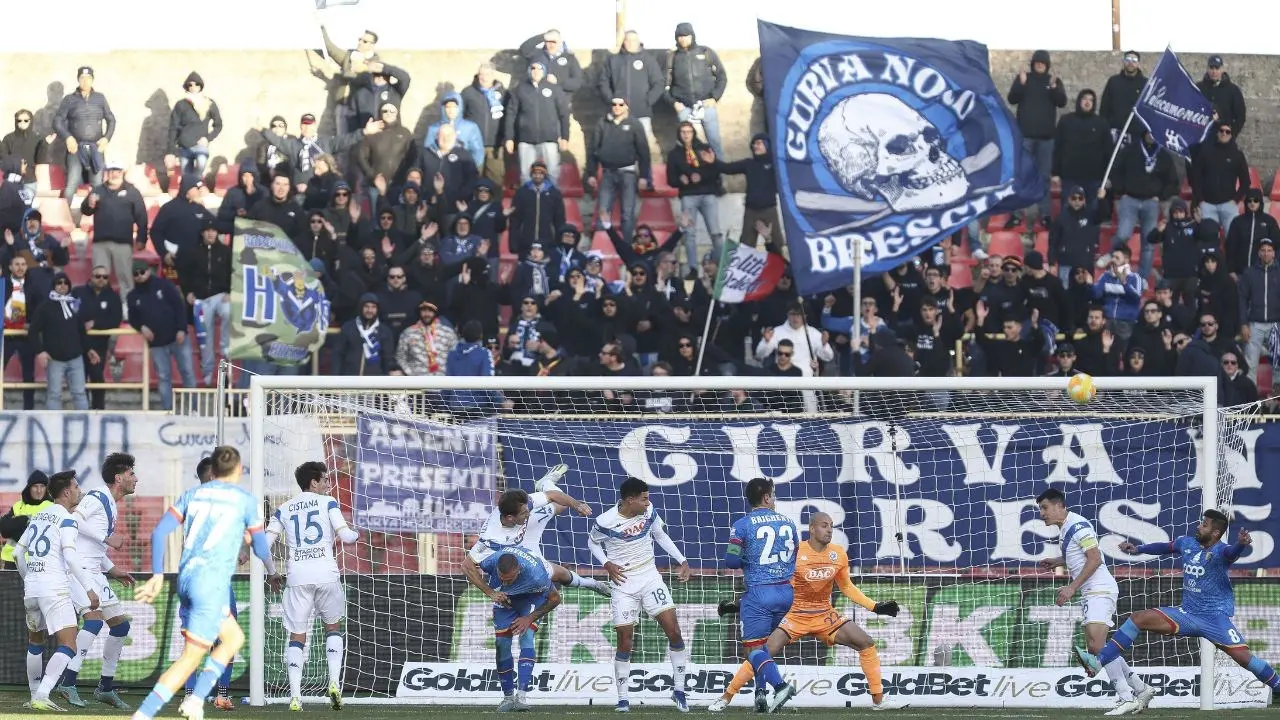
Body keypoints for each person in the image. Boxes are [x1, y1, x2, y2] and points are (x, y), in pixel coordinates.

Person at [1079, 511, 1280, 714]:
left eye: (1205, 524)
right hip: (1187, 614)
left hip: (1214, 618)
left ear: (1216, 532)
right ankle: (1099, 662)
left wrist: (1242, 544)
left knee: (1247, 660)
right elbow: (1165, 547)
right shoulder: (1187, 543)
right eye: (1202, 522)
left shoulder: (1221, 551)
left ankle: (1278, 686)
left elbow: (1232, 554)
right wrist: (1138, 548)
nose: (1199, 526)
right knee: (1137, 619)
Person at [132, 446, 280, 720]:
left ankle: (183, 699)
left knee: (196, 647)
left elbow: (160, 532)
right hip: (213, 581)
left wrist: (156, 574)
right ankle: (216, 695)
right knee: (231, 638)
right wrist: (271, 571)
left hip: (186, 579)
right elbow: (261, 546)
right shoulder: (240, 500)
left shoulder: (190, 497)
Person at [712, 512, 899, 712]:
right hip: (794, 614)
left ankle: (879, 701)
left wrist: (875, 607)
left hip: (824, 614)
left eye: (831, 526)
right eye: (824, 525)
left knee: (866, 642)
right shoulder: (794, 552)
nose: (829, 530)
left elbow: (847, 587)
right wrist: (739, 603)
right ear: (811, 528)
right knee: (761, 653)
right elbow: (774, 584)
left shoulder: (838, 554)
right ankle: (726, 697)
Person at [1034, 489, 1153, 715]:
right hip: (1093, 591)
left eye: (1045, 508)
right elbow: (1079, 555)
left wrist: (1071, 587)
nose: (1042, 513)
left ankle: (1125, 696)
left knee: (1098, 647)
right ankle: (1141, 688)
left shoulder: (1078, 526)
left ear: (1060, 506)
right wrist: (1058, 560)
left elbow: (1095, 558)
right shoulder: (1066, 529)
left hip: (1099, 590)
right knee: (1097, 647)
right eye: (1040, 509)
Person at [587, 478, 691, 712]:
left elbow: (660, 535)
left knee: (674, 631)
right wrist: (607, 563)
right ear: (630, 500)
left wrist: (682, 560)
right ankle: (623, 699)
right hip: (623, 584)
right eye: (644, 498)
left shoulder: (649, 511)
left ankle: (679, 690)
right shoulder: (605, 521)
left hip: (650, 577)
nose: (648, 501)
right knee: (625, 641)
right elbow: (592, 543)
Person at [265, 462, 360, 711]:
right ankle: (334, 683)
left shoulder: (283, 509)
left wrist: (273, 572)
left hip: (297, 577)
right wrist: (358, 533)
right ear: (314, 483)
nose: (328, 483)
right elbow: (347, 536)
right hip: (326, 574)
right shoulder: (328, 503)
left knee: (297, 636)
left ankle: (295, 696)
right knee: (332, 628)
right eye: (325, 479)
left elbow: (263, 547)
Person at [52, 453, 138, 710]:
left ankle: (105, 687)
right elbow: (74, 521)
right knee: (94, 621)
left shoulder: (111, 502)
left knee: (120, 627)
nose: (136, 479)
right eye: (132, 474)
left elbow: (91, 547)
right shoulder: (97, 497)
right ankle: (67, 682)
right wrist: (107, 538)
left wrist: (113, 569)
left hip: (96, 571)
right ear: (118, 477)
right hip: (79, 571)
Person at [16, 470, 96, 711]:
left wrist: (29, 578)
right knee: (70, 644)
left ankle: (33, 695)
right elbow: (70, 557)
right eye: (77, 487)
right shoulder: (67, 519)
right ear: (67, 491)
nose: (80, 491)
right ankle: (42, 694)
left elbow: (19, 553)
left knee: (35, 642)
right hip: (55, 589)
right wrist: (90, 589)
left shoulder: (39, 515)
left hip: (32, 588)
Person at [722, 477, 798, 712]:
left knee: (753, 649)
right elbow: (795, 551)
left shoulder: (742, 525)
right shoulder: (788, 522)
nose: (774, 498)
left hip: (759, 593)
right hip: (786, 592)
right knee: (764, 648)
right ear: (766, 497)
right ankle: (760, 695)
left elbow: (731, 561)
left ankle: (780, 685)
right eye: (773, 494)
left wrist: (748, 559)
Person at [471, 543, 561, 712]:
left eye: (510, 579)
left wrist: (529, 618)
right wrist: (490, 591)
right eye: (502, 578)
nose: (505, 582)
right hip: (505, 601)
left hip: (530, 598)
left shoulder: (536, 575)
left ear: (519, 570)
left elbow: (555, 598)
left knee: (526, 636)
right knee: (501, 644)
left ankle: (521, 697)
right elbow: (467, 566)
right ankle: (508, 698)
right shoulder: (491, 561)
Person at [1005, 50, 1067, 229]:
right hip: (1025, 137)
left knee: (1043, 179)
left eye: (1043, 62)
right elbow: (1012, 98)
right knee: (1021, 176)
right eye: (1037, 62)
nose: (1040, 65)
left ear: (1047, 65)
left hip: (1046, 139)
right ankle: (1016, 215)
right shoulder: (1024, 78)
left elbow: (1061, 102)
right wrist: (1021, 85)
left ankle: (1045, 214)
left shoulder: (1052, 81)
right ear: (1033, 63)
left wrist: (1055, 88)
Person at [128, 261, 195, 410]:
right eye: (135, 274)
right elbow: (132, 319)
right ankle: (167, 410)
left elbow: (179, 305)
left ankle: (193, 409)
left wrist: (181, 329)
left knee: (188, 373)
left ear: (148, 271)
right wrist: (141, 327)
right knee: (164, 377)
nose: (139, 276)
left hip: (177, 338)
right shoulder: (132, 296)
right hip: (157, 342)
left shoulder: (164, 285)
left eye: (142, 272)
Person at [586, 98, 651, 246]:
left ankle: (626, 248)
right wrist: (591, 173)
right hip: (608, 172)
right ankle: (601, 250)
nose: (616, 107)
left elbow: (644, 152)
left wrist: (644, 176)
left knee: (627, 214)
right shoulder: (602, 123)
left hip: (628, 173)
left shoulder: (635, 124)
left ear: (626, 106)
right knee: (603, 212)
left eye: (620, 104)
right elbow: (592, 150)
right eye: (613, 104)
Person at [81, 160, 148, 299]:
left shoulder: (132, 191)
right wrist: (89, 204)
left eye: (117, 171)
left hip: (123, 243)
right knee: (99, 278)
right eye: (110, 171)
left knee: (126, 278)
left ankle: (127, 309)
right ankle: (99, 307)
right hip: (100, 243)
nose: (113, 174)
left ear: (122, 172)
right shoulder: (98, 190)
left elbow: (141, 216)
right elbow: (85, 210)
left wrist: (142, 238)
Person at [29, 272, 91, 410]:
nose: (63, 285)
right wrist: (40, 351)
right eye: (59, 282)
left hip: (76, 358)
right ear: (53, 286)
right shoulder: (44, 306)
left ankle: (85, 427)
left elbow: (81, 331)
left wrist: (89, 350)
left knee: (80, 393)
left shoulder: (74, 304)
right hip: (54, 359)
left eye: (65, 283)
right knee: (54, 394)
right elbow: (32, 331)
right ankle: (53, 428)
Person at [664, 23, 726, 158]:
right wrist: (674, 103)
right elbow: (664, 86)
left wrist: (715, 97)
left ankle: (720, 176)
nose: (683, 39)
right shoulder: (672, 57)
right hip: (684, 109)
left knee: (714, 143)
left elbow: (722, 76)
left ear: (692, 36)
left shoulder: (706, 52)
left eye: (686, 35)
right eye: (680, 36)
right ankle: (692, 175)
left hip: (706, 106)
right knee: (687, 147)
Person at [54, 66, 115, 202]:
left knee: (97, 186)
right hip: (75, 149)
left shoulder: (100, 98)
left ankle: (97, 220)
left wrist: (106, 138)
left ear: (92, 80)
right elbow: (57, 122)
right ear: (78, 79)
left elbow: (111, 120)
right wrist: (68, 137)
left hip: (96, 148)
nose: (85, 81)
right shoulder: (69, 99)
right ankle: (65, 218)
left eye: (88, 78)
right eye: (82, 78)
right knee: (71, 185)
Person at [666, 122, 720, 271]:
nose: (686, 135)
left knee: (715, 232)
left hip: (708, 194)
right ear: (679, 134)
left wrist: (700, 176)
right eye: (683, 132)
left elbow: (715, 172)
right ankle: (692, 269)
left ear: (693, 133)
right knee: (689, 234)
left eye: (689, 132)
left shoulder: (704, 148)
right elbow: (670, 179)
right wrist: (680, 180)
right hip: (688, 195)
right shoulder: (674, 154)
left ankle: (721, 266)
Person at [504, 62, 571, 184]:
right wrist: (509, 138)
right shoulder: (519, 89)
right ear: (529, 70)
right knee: (525, 175)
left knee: (552, 174)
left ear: (544, 71)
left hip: (549, 140)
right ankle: (528, 201)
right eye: (533, 68)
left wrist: (565, 137)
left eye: (539, 68)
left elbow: (564, 114)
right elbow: (511, 114)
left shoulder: (554, 89)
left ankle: (550, 201)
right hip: (526, 140)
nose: (536, 71)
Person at [599, 31, 665, 144]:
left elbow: (659, 83)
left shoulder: (648, 59)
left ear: (639, 42)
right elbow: (603, 82)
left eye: (634, 40)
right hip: (619, 113)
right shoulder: (613, 60)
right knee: (620, 147)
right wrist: (612, 100)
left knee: (643, 148)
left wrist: (648, 101)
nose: (630, 43)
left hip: (642, 113)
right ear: (623, 42)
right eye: (627, 40)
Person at [1190, 121, 1250, 231]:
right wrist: (1201, 200)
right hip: (1207, 205)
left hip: (1229, 205)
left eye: (1228, 132)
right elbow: (1196, 177)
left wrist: (1235, 200)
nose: (1224, 134)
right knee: (1209, 239)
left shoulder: (1237, 155)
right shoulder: (1205, 152)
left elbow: (1246, 181)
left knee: (1233, 240)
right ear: (1217, 133)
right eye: (1221, 131)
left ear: (1231, 135)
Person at [1238, 238, 1280, 384]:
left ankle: (1277, 402)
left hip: (1276, 325)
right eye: (1263, 250)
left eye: (1269, 250)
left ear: (1274, 253)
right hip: (1254, 324)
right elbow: (1242, 299)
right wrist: (1243, 324)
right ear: (1258, 253)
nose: (1266, 253)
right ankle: (1251, 401)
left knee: (1278, 366)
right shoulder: (1249, 273)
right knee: (1250, 365)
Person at [164, 72, 222, 177]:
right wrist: (170, 151)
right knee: (186, 175)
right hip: (184, 146)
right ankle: (192, 187)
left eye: (196, 84)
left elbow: (218, 125)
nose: (193, 87)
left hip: (200, 145)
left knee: (201, 163)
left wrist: (208, 138)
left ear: (201, 86)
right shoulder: (181, 104)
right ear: (187, 87)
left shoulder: (209, 103)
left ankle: (197, 182)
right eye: (190, 85)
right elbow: (173, 128)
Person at [460, 63, 509, 183]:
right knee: (472, 178)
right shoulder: (467, 92)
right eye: (481, 74)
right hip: (474, 144)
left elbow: (509, 116)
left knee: (496, 180)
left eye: (487, 74)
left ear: (493, 75)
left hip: (495, 145)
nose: (484, 77)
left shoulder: (504, 93)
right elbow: (460, 116)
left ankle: (495, 202)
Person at [1, 471, 51, 569]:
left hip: (38, 562)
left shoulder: (51, 507)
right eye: (35, 486)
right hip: (12, 560)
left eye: (42, 486)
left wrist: (17, 524)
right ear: (29, 488)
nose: (39, 490)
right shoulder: (18, 506)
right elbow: (4, 530)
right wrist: (25, 520)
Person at [1099, 51, 1145, 143]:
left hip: (1138, 134)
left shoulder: (1145, 84)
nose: (1130, 63)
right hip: (1115, 133)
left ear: (1138, 63)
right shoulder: (1113, 81)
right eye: (1127, 59)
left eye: (1134, 60)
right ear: (1123, 62)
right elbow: (1104, 107)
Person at [1198, 56, 1246, 137]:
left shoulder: (1233, 90)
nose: (1214, 71)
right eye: (1211, 67)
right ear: (1207, 69)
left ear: (1222, 69)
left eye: (1217, 68)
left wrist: (1230, 135)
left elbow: (1240, 116)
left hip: (1224, 140)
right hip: (1202, 139)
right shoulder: (1198, 88)